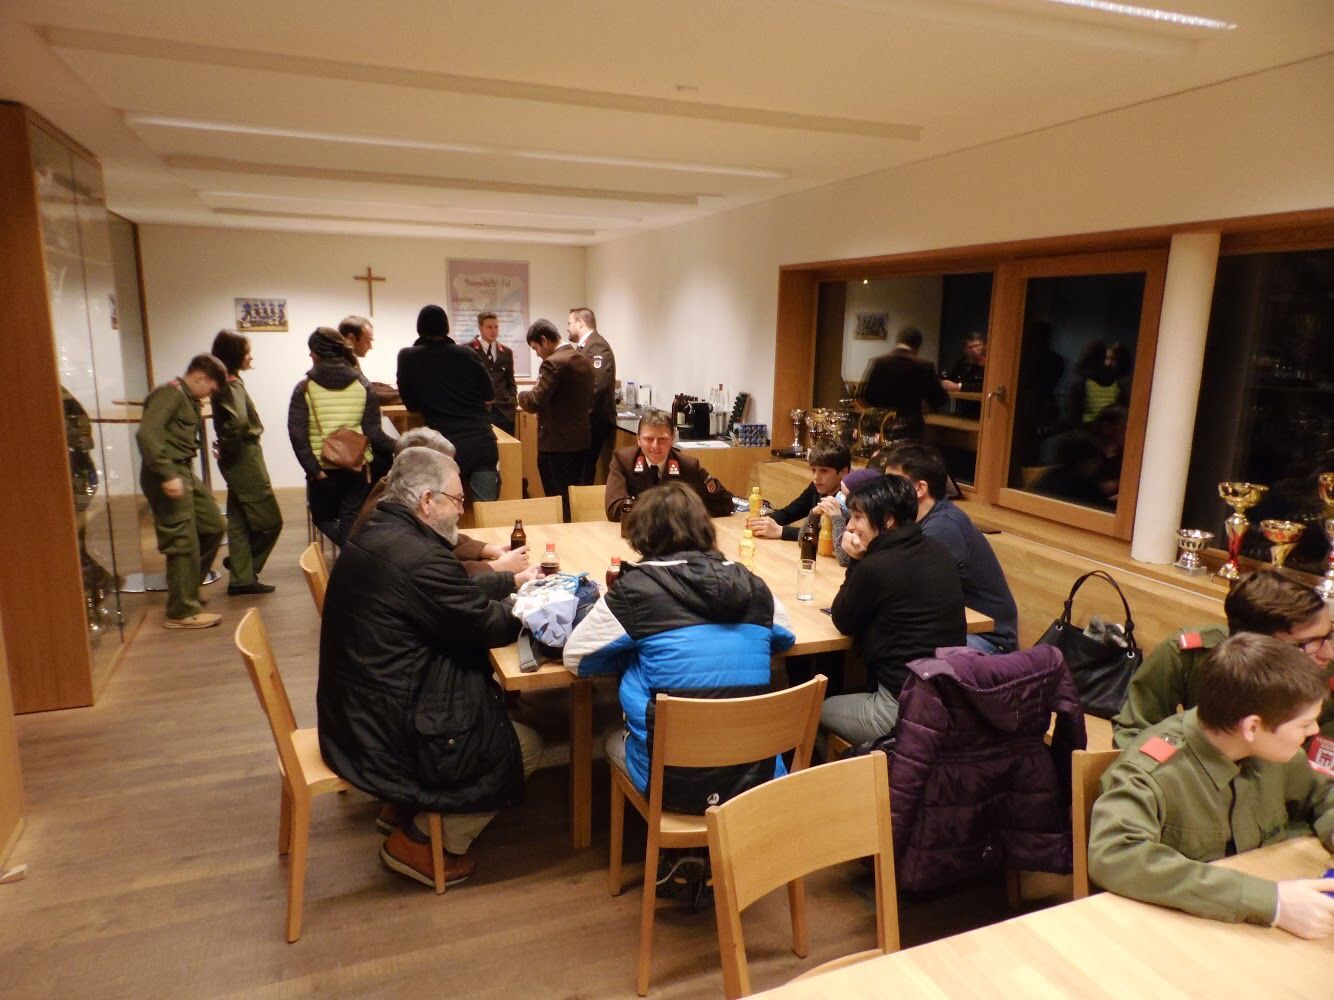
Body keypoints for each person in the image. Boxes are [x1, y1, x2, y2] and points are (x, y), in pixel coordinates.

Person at [317, 447, 544, 888]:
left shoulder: (381, 528)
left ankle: (404, 806)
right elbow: (486, 624)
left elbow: (452, 594)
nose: (462, 510)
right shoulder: (419, 556)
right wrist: (536, 608)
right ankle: (421, 843)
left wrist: (509, 582)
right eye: (457, 500)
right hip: (384, 730)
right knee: (525, 746)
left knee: (486, 700)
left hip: (356, 710)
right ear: (426, 501)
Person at [564, 482, 796, 905]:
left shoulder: (635, 590)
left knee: (613, 738)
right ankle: (709, 854)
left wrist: (635, 652)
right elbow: (785, 637)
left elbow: (577, 658)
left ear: (642, 536)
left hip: (672, 781)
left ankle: (680, 851)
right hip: (756, 775)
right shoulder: (752, 585)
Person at [1088, 634, 1334, 939]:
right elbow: (1116, 856)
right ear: (1252, 726)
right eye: (1305, 724)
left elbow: (1323, 791)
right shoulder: (1153, 773)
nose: (1314, 731)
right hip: (1170, 937)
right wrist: (1272, 902)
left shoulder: (1270, 752)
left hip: (1244, 931)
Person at [820, 475, 966, 745]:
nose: (850, 526)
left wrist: (855, 561)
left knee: (808, 710)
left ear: (887, 520)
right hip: (949, 701)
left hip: (901, 712)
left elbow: (842, 619)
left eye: (858, 517)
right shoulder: (937, 550)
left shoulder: (876, 566)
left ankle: (842, 769)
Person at [1113, 570, 1333, 748]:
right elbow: (1133, 731)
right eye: (1310, 643)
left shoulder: (1326, 674)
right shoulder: (1190, 655)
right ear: (1259, 642)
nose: (1328, 654)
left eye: (1329, 635)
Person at [867, 442, 1018, 653]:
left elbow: (903, 587)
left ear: (920, 488)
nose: (886, 491)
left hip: (988, 638)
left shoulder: (943, 527)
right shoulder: (913, 519)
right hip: (953, 627)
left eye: (893, 483)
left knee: (889, 644)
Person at [350, 427, 531, 579]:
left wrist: (487, 549)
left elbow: (439, 537)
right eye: (444, 466)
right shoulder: (391, 507)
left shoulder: (398, 492)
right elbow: (436, 571)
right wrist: (497, 567)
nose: (451, 473)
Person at [135, 353, 228, 629]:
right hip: (167, 474)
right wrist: (167, 474)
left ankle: (189, 587)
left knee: (213, 525)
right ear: (200, 378)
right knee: (182, 539)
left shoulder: (186, 397)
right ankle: (181, 611)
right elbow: (147, 434)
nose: (209, 395)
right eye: (211, 388)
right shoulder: (171, 394)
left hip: (182, 472)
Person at [287, 327, 395, 548]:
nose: (310, 355)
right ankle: (355, 552)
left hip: (323, 469)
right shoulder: (362, 384)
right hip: (357, 467)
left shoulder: (305, 388)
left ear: (317, 354)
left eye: (311, 351)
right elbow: (374, 434)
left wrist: (314, 470)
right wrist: (402, 445)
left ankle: (354, 553)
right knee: (351, 519)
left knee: (322, 518)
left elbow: (297, 435)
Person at [397, 305, 501, 501]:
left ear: (419, 328)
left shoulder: (408, 357)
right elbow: (489, 395)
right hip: (481, 443)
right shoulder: (467, 353)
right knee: (487, 510)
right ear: (446, 327)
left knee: (444, 510)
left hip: (443, 448)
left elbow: (411, 404)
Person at [210, 330, 282, 596]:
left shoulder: (225, 383)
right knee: (271, 521)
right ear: (235, 356)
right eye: (247, 352)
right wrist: (228, 447)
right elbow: (239, 423)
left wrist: (226, 448)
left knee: (239, 521)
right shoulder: (231, 386)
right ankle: (245, 568)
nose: (251, 357)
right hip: (244, 459)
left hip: (237, 458)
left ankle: (241, 578)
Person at [518, 318, 594, 519]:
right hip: (581, 442)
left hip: (555, 445)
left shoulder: (552, 363)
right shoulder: (584, 360)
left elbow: (534, 401)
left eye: (535, 348)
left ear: (544, 340)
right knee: (575, 501)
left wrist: (521, 395)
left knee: (557, 502)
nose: (537, 353)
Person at [604, 410, 734, 521]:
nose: (655, 446)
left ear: (672, 439)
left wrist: (686, 513)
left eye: (662, 439)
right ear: (638, 439)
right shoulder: (623, 461)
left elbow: (724, 502)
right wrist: (668, 509)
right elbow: (614, 508)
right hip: (636, 534)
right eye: (649, 439)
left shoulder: (688, 466)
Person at [857, 326, 949, 441]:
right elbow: (940, 399)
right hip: (910, 428)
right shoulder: (924, 366)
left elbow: (866, 396)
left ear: (898, 341)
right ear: (917, 346)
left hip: (882, 425)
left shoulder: (879, 362)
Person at [746, 443, 850, 541]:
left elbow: (835, 538)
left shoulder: (850, 498)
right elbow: (790, 512)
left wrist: (782, 531)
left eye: (824, 471)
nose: (816, 477)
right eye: (813, 470)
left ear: (843, 472)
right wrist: (761, 521)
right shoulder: (816, 487)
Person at [568, 307, 616, 484]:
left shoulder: (596, 346)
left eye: (570, 323)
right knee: (578, 470)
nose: (567, 328)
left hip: (592, 421)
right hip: (584, 422)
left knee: (584, 471)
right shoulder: (584, 347)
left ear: (580, 323)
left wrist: (579, 415)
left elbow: (598, 385)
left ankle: (580, 502)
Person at [468, 311, 517, 435]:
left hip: (504, 412)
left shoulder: (506, 352)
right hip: (479, 411)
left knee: (508, 446)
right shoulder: (468, 350)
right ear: (480, 328)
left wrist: (512, 401)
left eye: (496, 327)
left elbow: (511, 382)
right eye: (489, 327)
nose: (494, 331)